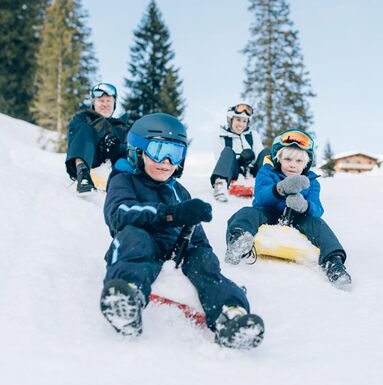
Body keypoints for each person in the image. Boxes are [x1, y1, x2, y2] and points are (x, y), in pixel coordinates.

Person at [99, 112, 264, 349]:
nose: (166, 161)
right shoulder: (124, 180)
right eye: (158, 151)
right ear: (138, 150)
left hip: (179, 249)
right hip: (142, 243)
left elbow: (199, 239)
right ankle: (126, 299)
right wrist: (171, 214)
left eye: (174, 154)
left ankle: (231, 315)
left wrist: (195, 232)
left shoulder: (179, 190)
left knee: (205, 260)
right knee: (133, 239)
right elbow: (119, 214)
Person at [224, 129, 352, 290]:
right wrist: (279, 189)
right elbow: (260, 198)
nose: (293, 164)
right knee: (246, 213)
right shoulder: (267, 172)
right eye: (288, 159)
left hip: (298, 217)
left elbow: (318, 208)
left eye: (299, 161)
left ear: (306, 164)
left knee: (318, 224)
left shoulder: (312, 182)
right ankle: (238, 241)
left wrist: (305, 207)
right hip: (268, 212)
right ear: (279, 159)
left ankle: (333, 263)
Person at [65, 82, 129, 195]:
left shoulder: (121, 127)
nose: (105, 104)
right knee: (83, 129)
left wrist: (115, 148)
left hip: (114, 169)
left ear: (114, 103)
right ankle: (83, 176)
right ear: (94, 103)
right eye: (101, 101)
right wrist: (101, 141)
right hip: (91, 160)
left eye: (108, 101)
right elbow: (74, 135)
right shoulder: (84, 119)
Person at [210, 103, 270, 202]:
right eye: (238, 120)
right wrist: (240, 160)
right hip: (233, 171)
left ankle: (270, 184)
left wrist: (249, 158)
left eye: (244, 121)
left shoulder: (253, 135)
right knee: (228, 151)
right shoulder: (220, 136)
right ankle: (220, 185)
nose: (241, 124)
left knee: (266, 152)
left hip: (252, 171)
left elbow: (260, 155)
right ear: (230, 119)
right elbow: (220, 159)